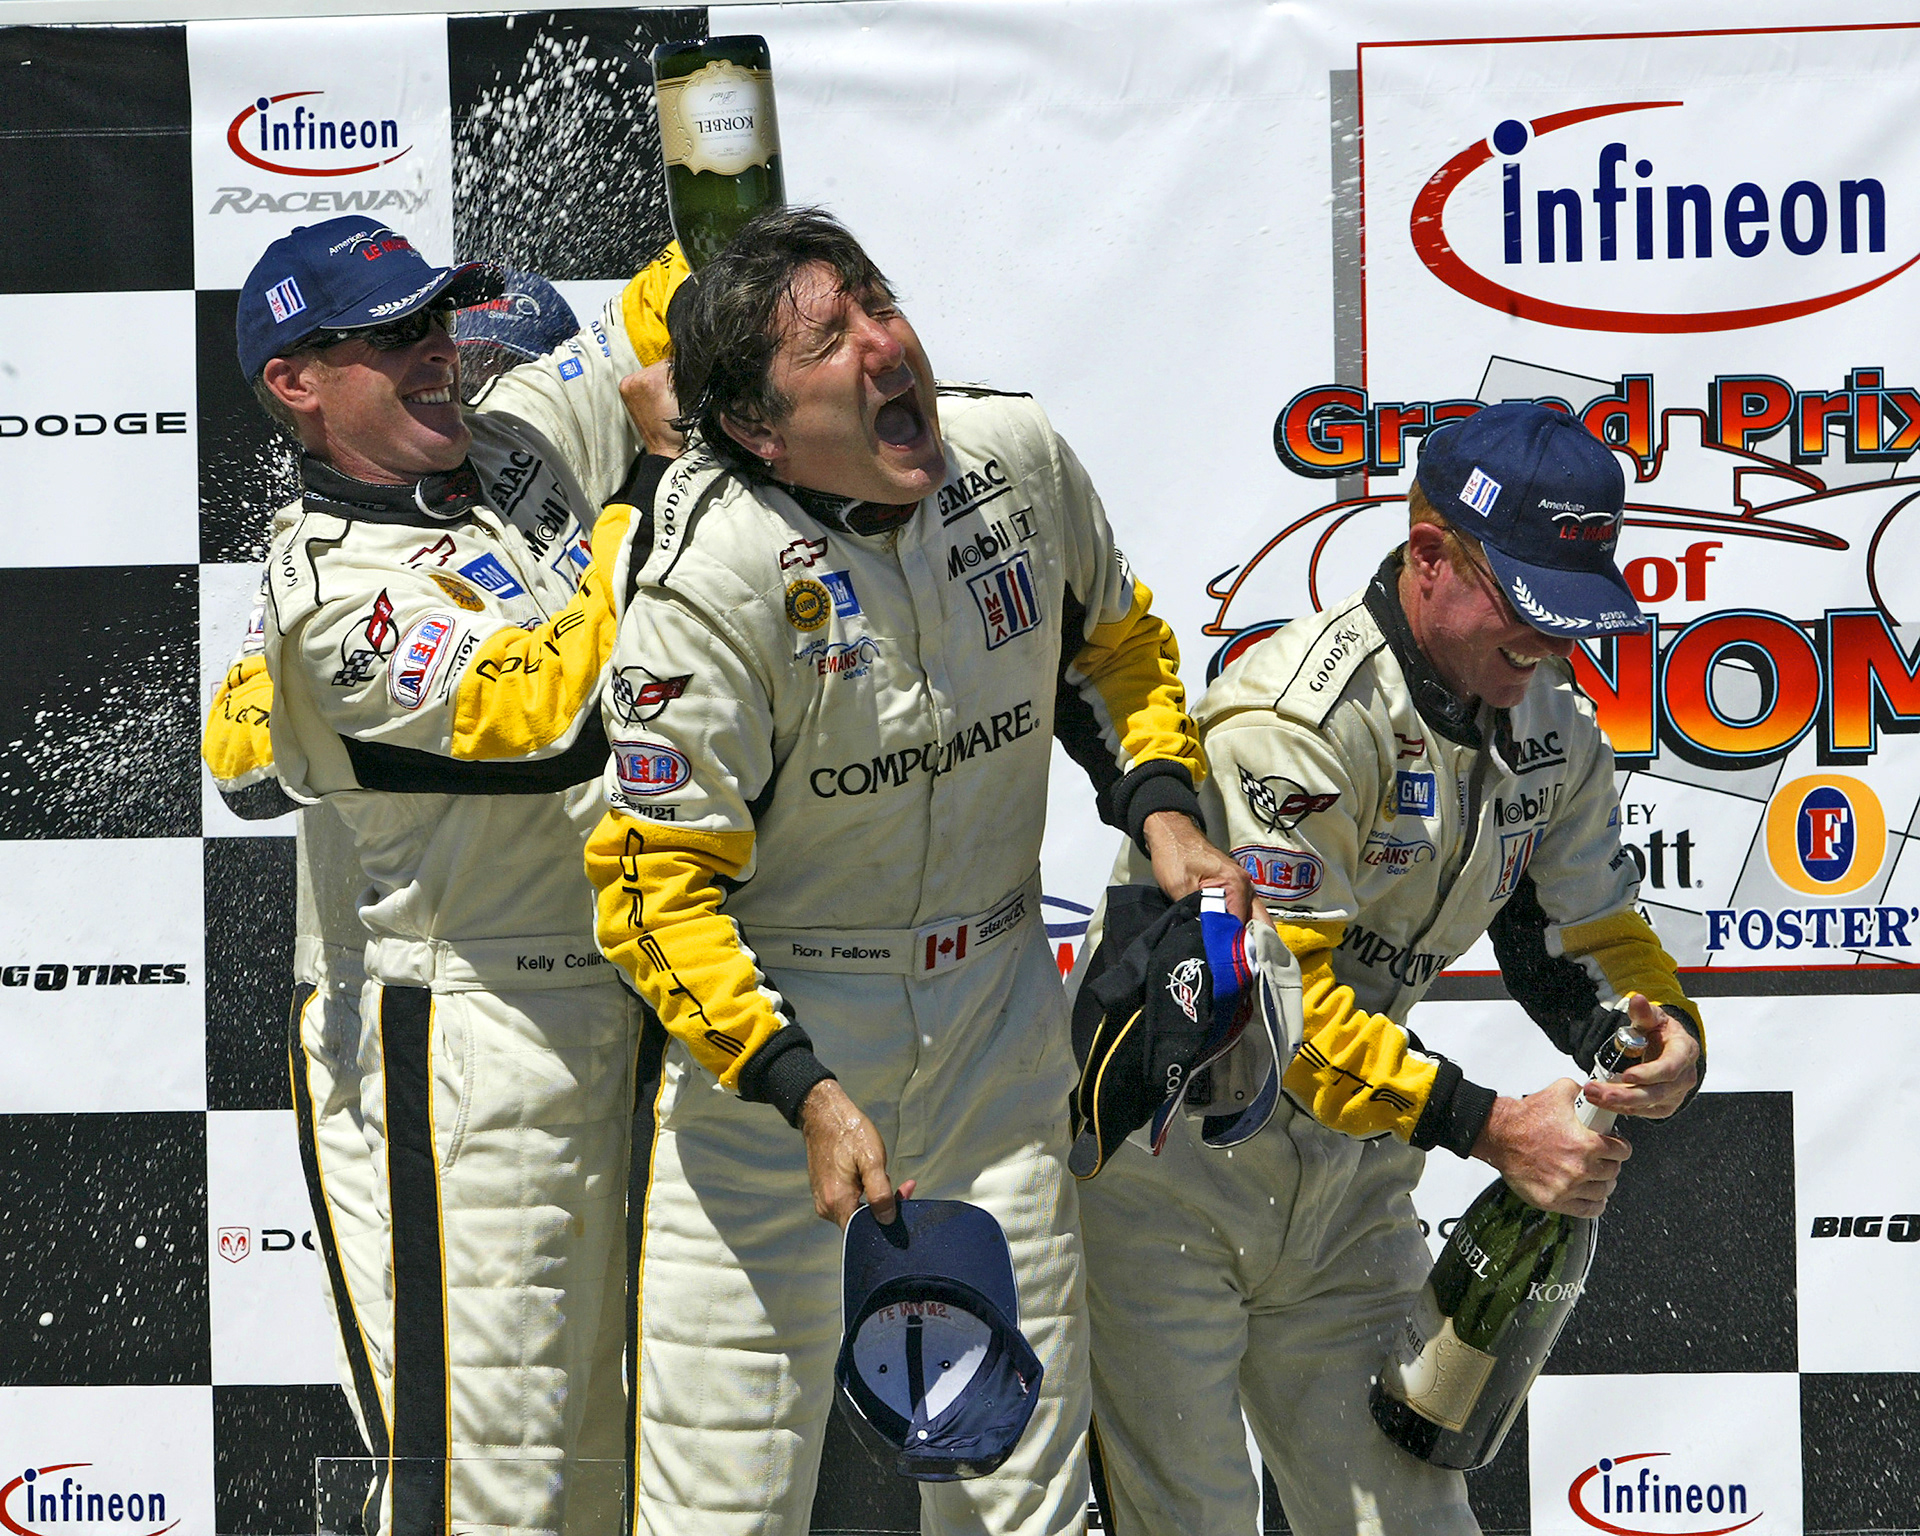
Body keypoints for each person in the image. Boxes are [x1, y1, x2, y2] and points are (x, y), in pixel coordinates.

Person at [580, 205, 1250, 1536]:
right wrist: (804, 1092)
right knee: (725, 1501)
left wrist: (1161, 802)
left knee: (1021, 1490)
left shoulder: (1013, 455)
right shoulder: (704, 577)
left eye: (880, 303)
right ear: (762, 428)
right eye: (833, 340)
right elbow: (653, 891)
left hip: (998, 1034)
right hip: (781, 1076)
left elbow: (1111, 647)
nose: (889, 345)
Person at [1076, 402, 1705, 1535]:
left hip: (1355, 1183)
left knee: (1412, 1520)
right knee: (1190, 1522)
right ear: (1429, 556)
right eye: (1527, 607)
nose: (1551, 647)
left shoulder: (1549, 721)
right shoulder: (1292, 721)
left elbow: (1581, 934)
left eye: (1572, 616)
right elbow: (1271, 1016)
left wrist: (1659, 1034)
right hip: (1171, 1172)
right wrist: (1494, 1127)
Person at [242, 216, 671, 1536]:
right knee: (491, 1489)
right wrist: (647, 489)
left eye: (438, 323)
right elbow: (550, 718)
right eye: (389, 338)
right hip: (450, 1048)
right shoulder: (325, 596)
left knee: (609, 1469)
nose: (435, 356)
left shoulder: (511, 440)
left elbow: (669, 317)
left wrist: (726, 178)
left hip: (612, 1013)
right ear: (297, 385)